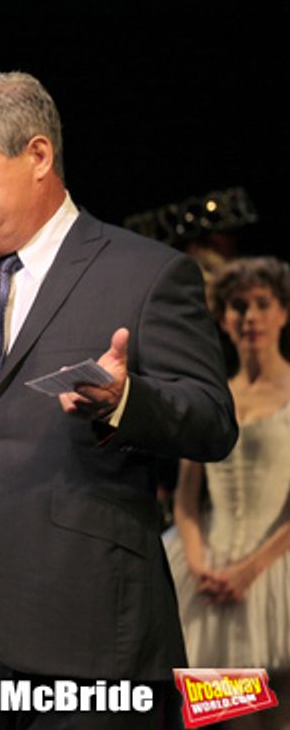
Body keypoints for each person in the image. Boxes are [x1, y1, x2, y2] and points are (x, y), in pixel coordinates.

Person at [0, 70, 237, 729]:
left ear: (37, 156)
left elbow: (210, 421)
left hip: (86, 637)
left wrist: (123, 402)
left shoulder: (144, 272)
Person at [166, 256, 290, 728]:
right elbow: (186, 498)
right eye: (239, 306)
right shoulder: (214, 397)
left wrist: (251, 570)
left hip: (276, 574)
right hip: (211, 579)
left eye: (263, 304)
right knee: (225, 720)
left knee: (280, 719)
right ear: (222, 318)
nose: (251, 317)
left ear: (283, 312)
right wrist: (200, 568)